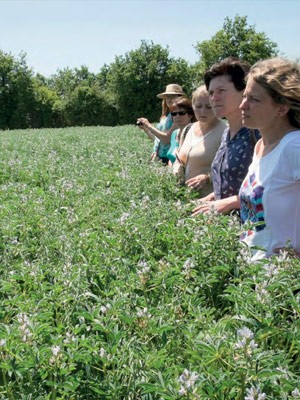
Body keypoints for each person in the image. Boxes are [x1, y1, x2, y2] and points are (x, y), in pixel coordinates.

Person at [238, 57, 300, 260]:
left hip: (284, 284)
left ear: (281, 109)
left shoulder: (293, 146)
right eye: (244, 96)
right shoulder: (260, 146)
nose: (242, 106)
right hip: (256, 276)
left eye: (254, 100)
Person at [192, 57, 260, 216]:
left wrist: (230, 203)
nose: (214, 98)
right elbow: (229, 185)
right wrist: (210, 199)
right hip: (225, 229)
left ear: (243, 91)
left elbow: (273, 189)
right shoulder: (226, 134)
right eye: (211, 93)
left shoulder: (258, 133)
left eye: (221, 91)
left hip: (253, 230)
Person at [172, 85, 227, 196]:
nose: (202, 112)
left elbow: (232, 170)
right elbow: (180, 158)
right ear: (192, 106)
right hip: (184, 196)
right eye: (198, 106)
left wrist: (207, 177)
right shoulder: (188, 129)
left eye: (208, 107)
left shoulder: (225, 132)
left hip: (209, 201)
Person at [136, 84, 186, 164]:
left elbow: (167, 139)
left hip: (171, 158)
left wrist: (149, 125)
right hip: (159, 157)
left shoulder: (179, 115)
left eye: (172, 96)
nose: (169, 99)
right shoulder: (165, 116)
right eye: (167, 96)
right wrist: (146, 129)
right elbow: (158, 140)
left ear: (180, 98)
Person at [166, 96, 196, 165]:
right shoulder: (174, 134)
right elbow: (171, 158)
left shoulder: (194, 133)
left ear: (190, 115)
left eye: (181, 113)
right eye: (174, 114)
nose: (177, 116)